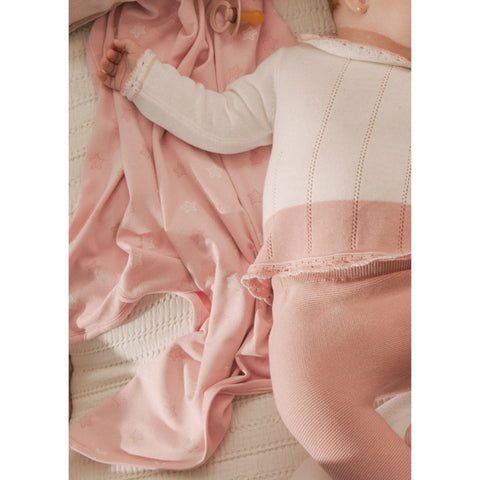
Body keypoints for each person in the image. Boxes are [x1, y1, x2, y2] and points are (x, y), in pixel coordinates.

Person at [97, 0, 412, 478]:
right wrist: (144, 80)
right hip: (316, 306)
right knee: (308, 397)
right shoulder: (295, 66)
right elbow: (219, 120)